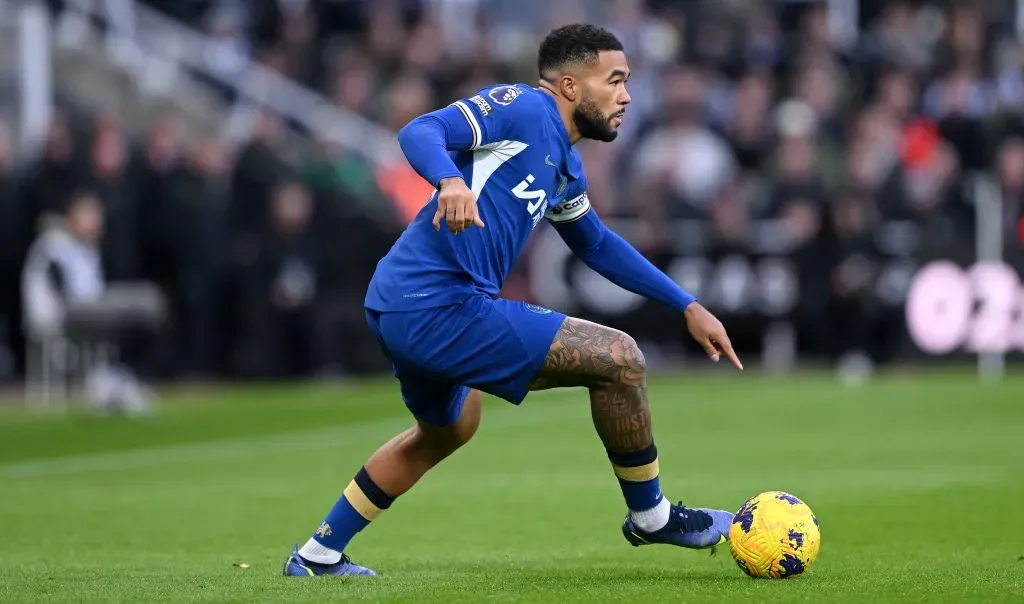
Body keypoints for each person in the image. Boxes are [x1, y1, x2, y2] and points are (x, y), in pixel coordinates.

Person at [283, 23, 743, 577]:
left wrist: (686, 304)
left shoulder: (566, 165)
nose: (626, 96)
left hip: (401, 304)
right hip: (436, 303)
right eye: (615, 81)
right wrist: (449, 181)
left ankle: (317, 555)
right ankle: (653, 516)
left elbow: (595, 244)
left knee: (452, 426)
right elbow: (421, 130)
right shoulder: (523, 107)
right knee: (619, 359)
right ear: (570, 85)